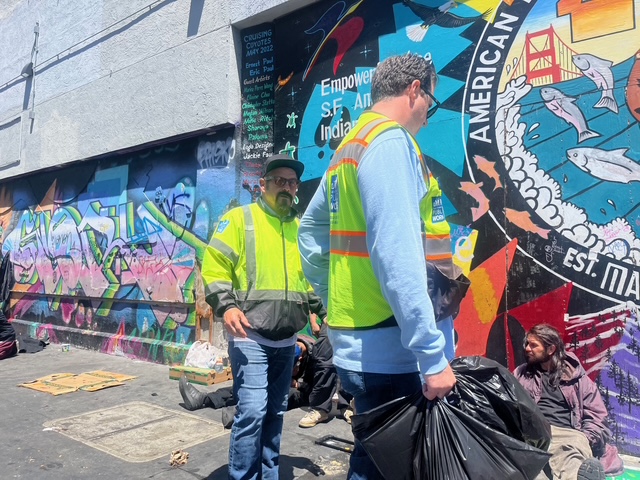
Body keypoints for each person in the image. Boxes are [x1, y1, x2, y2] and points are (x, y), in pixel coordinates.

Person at [298, 53, 457, 480]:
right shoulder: (389, 143)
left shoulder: (350, 146)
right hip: (395, 354)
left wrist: (335, 299)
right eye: (431, 104)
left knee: (372, 463)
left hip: (362, 346)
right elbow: (397, 255)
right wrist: (432, 355)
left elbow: (309, 235)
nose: (427, 116)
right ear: (414, 91)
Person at [201, 154, 326, 480]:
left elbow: (308, 279)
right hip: (249, 336)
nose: (287, 187)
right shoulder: (241, 219)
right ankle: (243, 476)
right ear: (263, 185)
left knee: (275, 411)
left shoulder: (299, 229)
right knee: (253, 410)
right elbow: (214, 264)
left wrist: (322, 312)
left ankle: (268, 475)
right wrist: (226, 305)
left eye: (292, 182)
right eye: (280, 181)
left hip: (286, 340)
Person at [177, 315, 354, 428]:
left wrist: (296, 383)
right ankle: (204, 400)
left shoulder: (315, 357)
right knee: (256, 385)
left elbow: (318, 386)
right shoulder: (288, 350)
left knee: (285, 393)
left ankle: (241, 412)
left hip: (305, 390)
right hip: (286, 373)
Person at [513, 324, 624, 480]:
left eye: (533, 345)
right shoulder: (521, 374)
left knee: (572, 458)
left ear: (550, 350)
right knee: (529, 465)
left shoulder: (577, 379)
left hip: (567, 434)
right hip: (533, 435)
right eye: (527, 344)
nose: (527, 348)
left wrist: (586, 438)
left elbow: (597, 416)